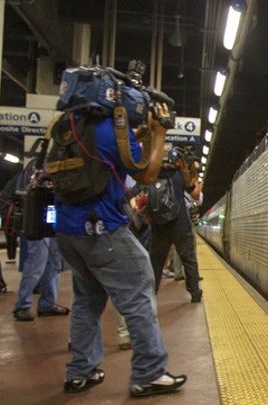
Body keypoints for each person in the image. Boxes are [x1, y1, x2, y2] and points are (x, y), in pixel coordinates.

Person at [54, 103, 186, 397]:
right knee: (139, 289)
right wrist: (160, 133)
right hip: (101, 229)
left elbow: (107, 159)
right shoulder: (110, 130)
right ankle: (148, 373)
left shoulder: (69, 126)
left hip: (68, 231)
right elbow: (147, 175)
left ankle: (80, 372)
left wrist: (136, 136)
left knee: (87, 300)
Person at [148, 152, 203, 302]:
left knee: (156, 261)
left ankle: (151, 293)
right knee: (188, 259)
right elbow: (196, 194)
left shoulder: (153, 175)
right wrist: (193, 173)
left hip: (159, 225)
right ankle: (195, 292)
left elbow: (137, 190)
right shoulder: (180, 175)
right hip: (180, 224)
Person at [12, 236, 69, 321]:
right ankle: (22, 306)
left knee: (54, 264)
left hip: (55, 227)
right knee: (36, 262)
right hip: (38, 226)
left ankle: (47, 304)